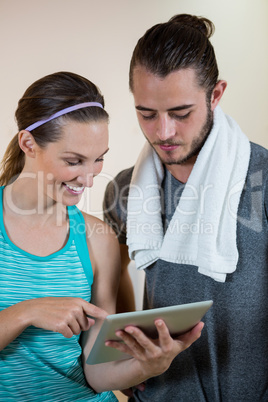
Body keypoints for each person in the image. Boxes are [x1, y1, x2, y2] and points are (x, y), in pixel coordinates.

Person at [0, 71, 203, 401]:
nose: (89, 179)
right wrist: (26, 312)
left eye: (98, 160)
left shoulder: (97, 238)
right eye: (73, 161)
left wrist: (151, 365)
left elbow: (96, 372)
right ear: (28, 144)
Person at [103, 14, 268, 402]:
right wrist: (122, 358)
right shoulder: (124, 188)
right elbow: (109, 281)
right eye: (146, 114)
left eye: (180, 113)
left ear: (215, 94)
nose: (163, 132)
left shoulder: (262, 175)